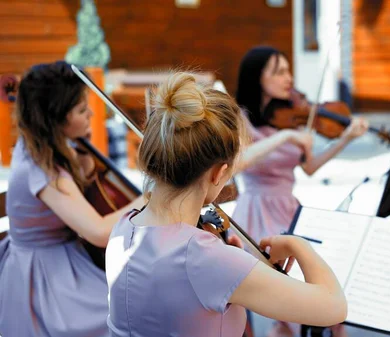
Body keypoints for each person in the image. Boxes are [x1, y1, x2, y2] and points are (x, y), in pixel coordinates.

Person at [104, 72, 347, 336]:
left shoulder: (122, 227)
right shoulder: (204, 258)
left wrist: (228, 262)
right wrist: (297, 244)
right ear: (218, 173)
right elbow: (333, 307)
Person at [0, 61, 145, 336]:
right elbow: (99, 232)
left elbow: (80, 190)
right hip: (43, 276)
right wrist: (153, 195)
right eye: (81, 109)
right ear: (56, 119)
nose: (91, 112)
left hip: (64, 256)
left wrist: (85, 162)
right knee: (125, 318)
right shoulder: (41, 169)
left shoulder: (43, 146)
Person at [232, 46, 369, 336]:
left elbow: (309, 168)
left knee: (322, 278)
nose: (289, 78)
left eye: (288, 69)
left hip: (289, 206)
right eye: (279, 71)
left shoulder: (292, 112)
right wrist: (285, 136)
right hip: (258, 210)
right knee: (291, 292)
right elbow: (240, 160)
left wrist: (344, 138)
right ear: (257, 78)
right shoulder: (240, 118)